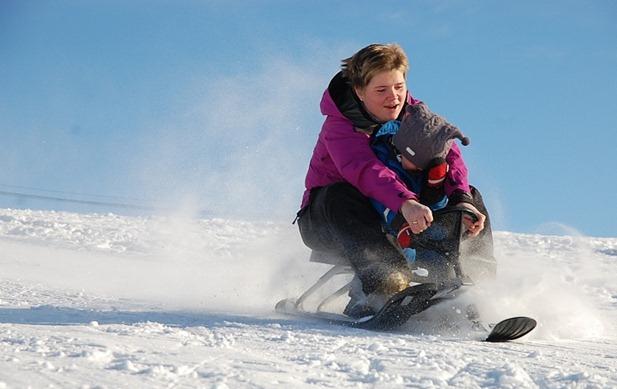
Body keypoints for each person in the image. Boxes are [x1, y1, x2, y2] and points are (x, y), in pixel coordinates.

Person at [296, 43, 492, 316]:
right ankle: (381, 283)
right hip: (331, 220)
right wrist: (406, 202)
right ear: (359, 91)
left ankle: (478, 281)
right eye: (381, 90)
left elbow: (445, 150)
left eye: (399, 87)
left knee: (469, 194)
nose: (394, 98)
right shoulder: (339, 125)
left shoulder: (413, 112)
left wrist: (462, 199)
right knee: (339, 194)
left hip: (392, 210)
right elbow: (364, 170)